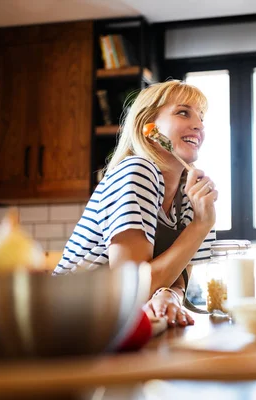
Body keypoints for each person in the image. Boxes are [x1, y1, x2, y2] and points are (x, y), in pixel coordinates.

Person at [53, 80, 217, 327]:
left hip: (112, 325)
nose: (199, 125)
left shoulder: (189, 192)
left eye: (201, 117)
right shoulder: (137, 170)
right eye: (183, 112)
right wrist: (200, 225)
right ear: (148, 128)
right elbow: (130, 288)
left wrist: (169, 294)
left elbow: (178, 275)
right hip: (67, 320)